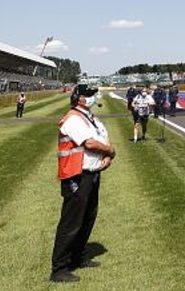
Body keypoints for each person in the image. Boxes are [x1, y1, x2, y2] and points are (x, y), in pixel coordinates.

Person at [50, 84, 115, 283]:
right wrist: (109, 151)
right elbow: (90, 143)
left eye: (93, 94)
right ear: (78, 98)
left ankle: (77, 257)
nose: (92, 97)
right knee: (71, 222)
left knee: (88, 217)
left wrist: (108, 155)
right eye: (88, 95)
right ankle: (59, 268)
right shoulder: (73, 119)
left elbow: (104, 140)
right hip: (76, 175)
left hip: (92, 173)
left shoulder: (92, 119)